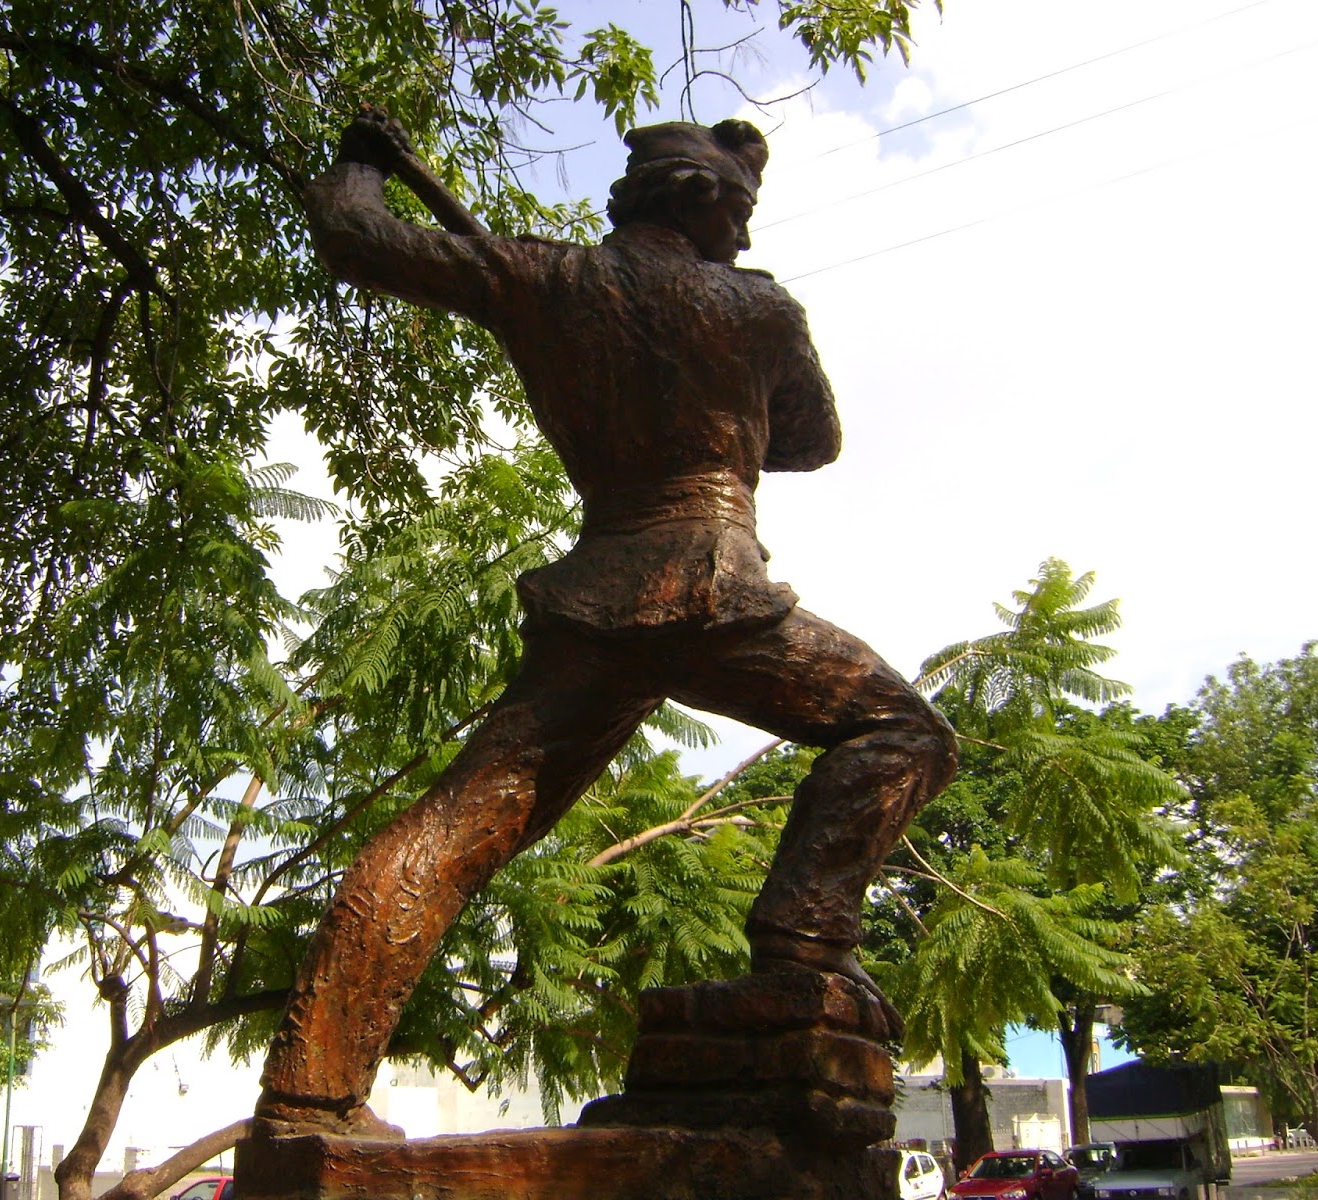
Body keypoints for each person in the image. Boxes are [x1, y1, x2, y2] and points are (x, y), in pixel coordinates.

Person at [253, 110, 958, 1134]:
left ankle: (306, 1094)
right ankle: (805, 940)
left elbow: (354, 238)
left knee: (449, 833)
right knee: (906, 733)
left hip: (596, 599)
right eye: (740, 212)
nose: (745, 237)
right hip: (712, 585)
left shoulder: (542, 277)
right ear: (698, 198)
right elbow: (813, 439)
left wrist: (361, 164)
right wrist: (727, 387)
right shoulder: (760, 308)